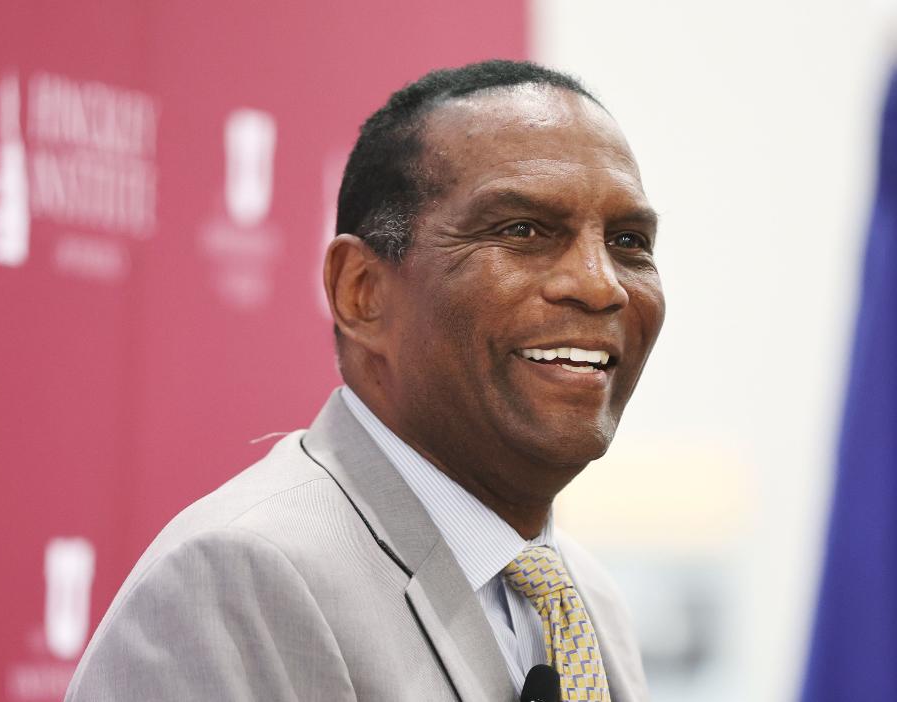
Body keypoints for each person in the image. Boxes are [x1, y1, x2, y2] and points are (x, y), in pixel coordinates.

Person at [65, 59, 664, 702]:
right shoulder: (239, 579)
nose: (602, 285)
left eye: (629, 241)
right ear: (362, 293)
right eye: (523, 231)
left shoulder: (587, 602)